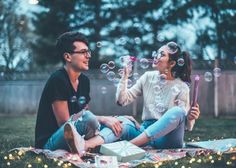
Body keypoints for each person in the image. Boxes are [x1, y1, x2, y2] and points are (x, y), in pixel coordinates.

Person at [66, 41, 200, 156]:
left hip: (167, 137)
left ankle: (127, 147)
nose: (156, 56)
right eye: (157, 53)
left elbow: (186, 126)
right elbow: (122, 100)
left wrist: (190, 117)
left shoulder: (182, 87)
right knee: (122, 121)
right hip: (144, 132)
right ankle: (86, 145)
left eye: (162, 54)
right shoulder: (148, 77)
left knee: (178, 111)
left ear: (171, 63)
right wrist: (125, 76)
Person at [35, 31, 125, 155]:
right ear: (68, 57)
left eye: (88, 52)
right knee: (90, 118)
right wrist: (103, 119)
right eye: (83, 52)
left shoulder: (84, 81)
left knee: (120, 123)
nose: (88, 56)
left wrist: (112, 120)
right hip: (51, 142)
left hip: (77, 137)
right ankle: (91, 145)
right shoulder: (58, 79)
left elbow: (83, 117)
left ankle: (86, 146)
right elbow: (65, 124)